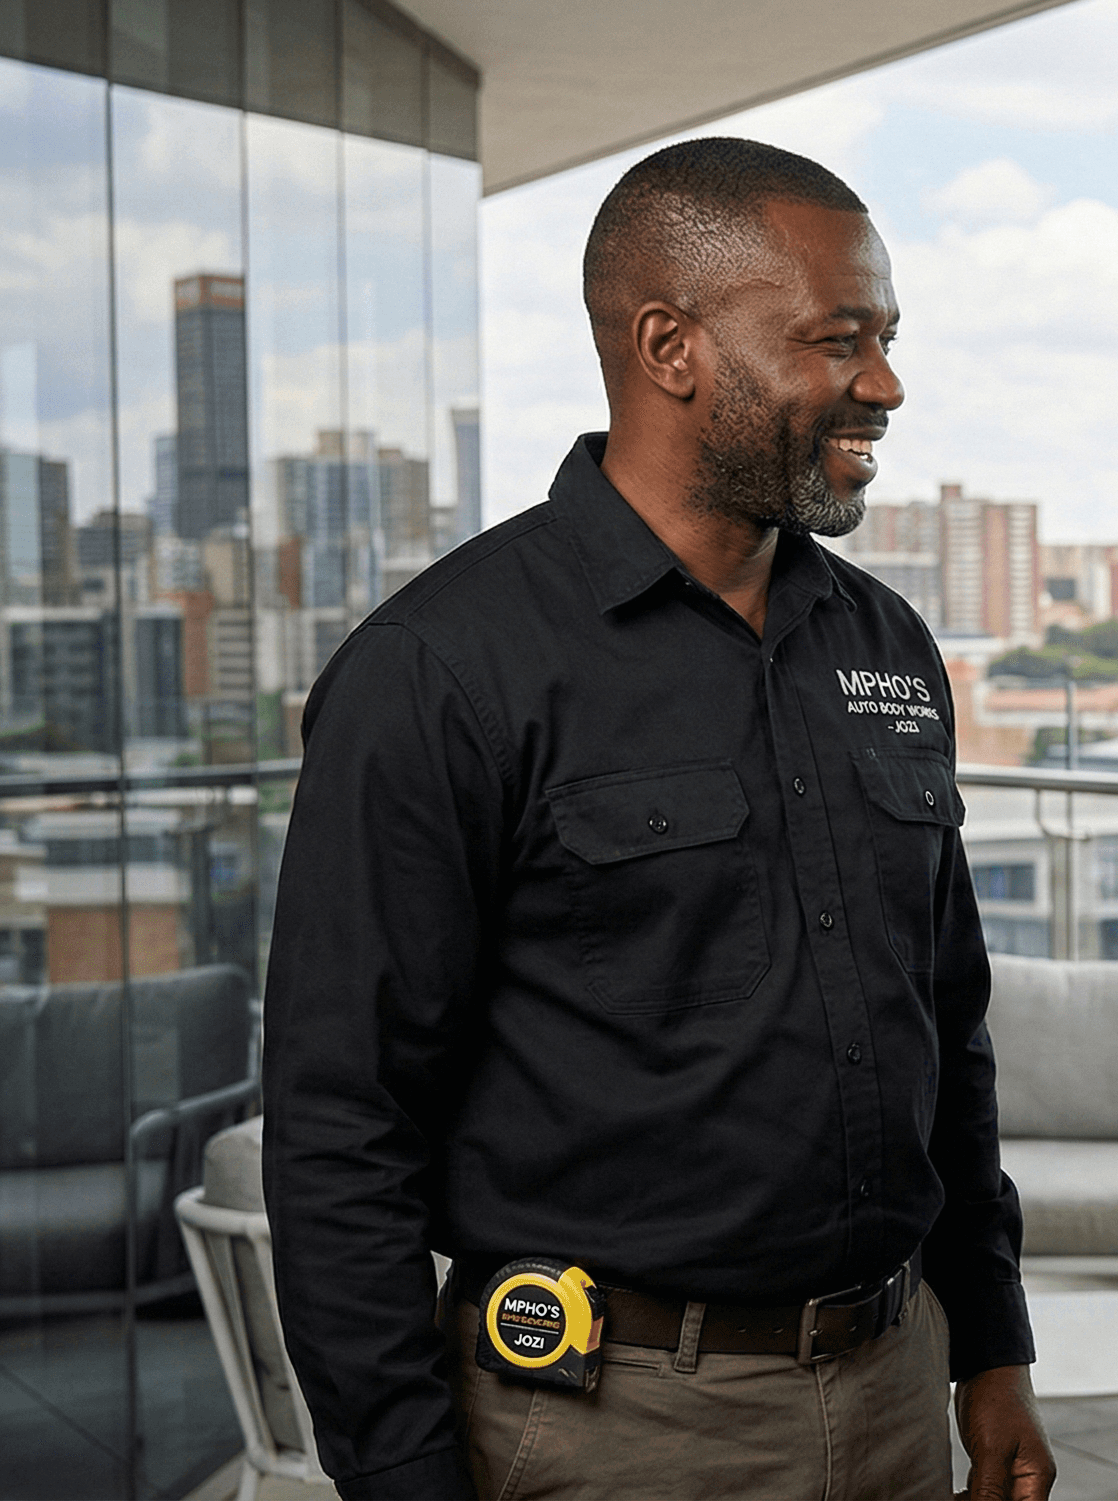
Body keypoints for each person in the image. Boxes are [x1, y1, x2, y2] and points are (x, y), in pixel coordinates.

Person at [262, 137, 1054, 1501]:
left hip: (892, 1395)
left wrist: (991, 1347)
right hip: (603, 1427)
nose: (884, 384)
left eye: (887, 339)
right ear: (669, 347)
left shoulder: (888, 646)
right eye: (838, 340)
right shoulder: (440, 671)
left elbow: (947, 1028)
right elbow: (341, 1126)